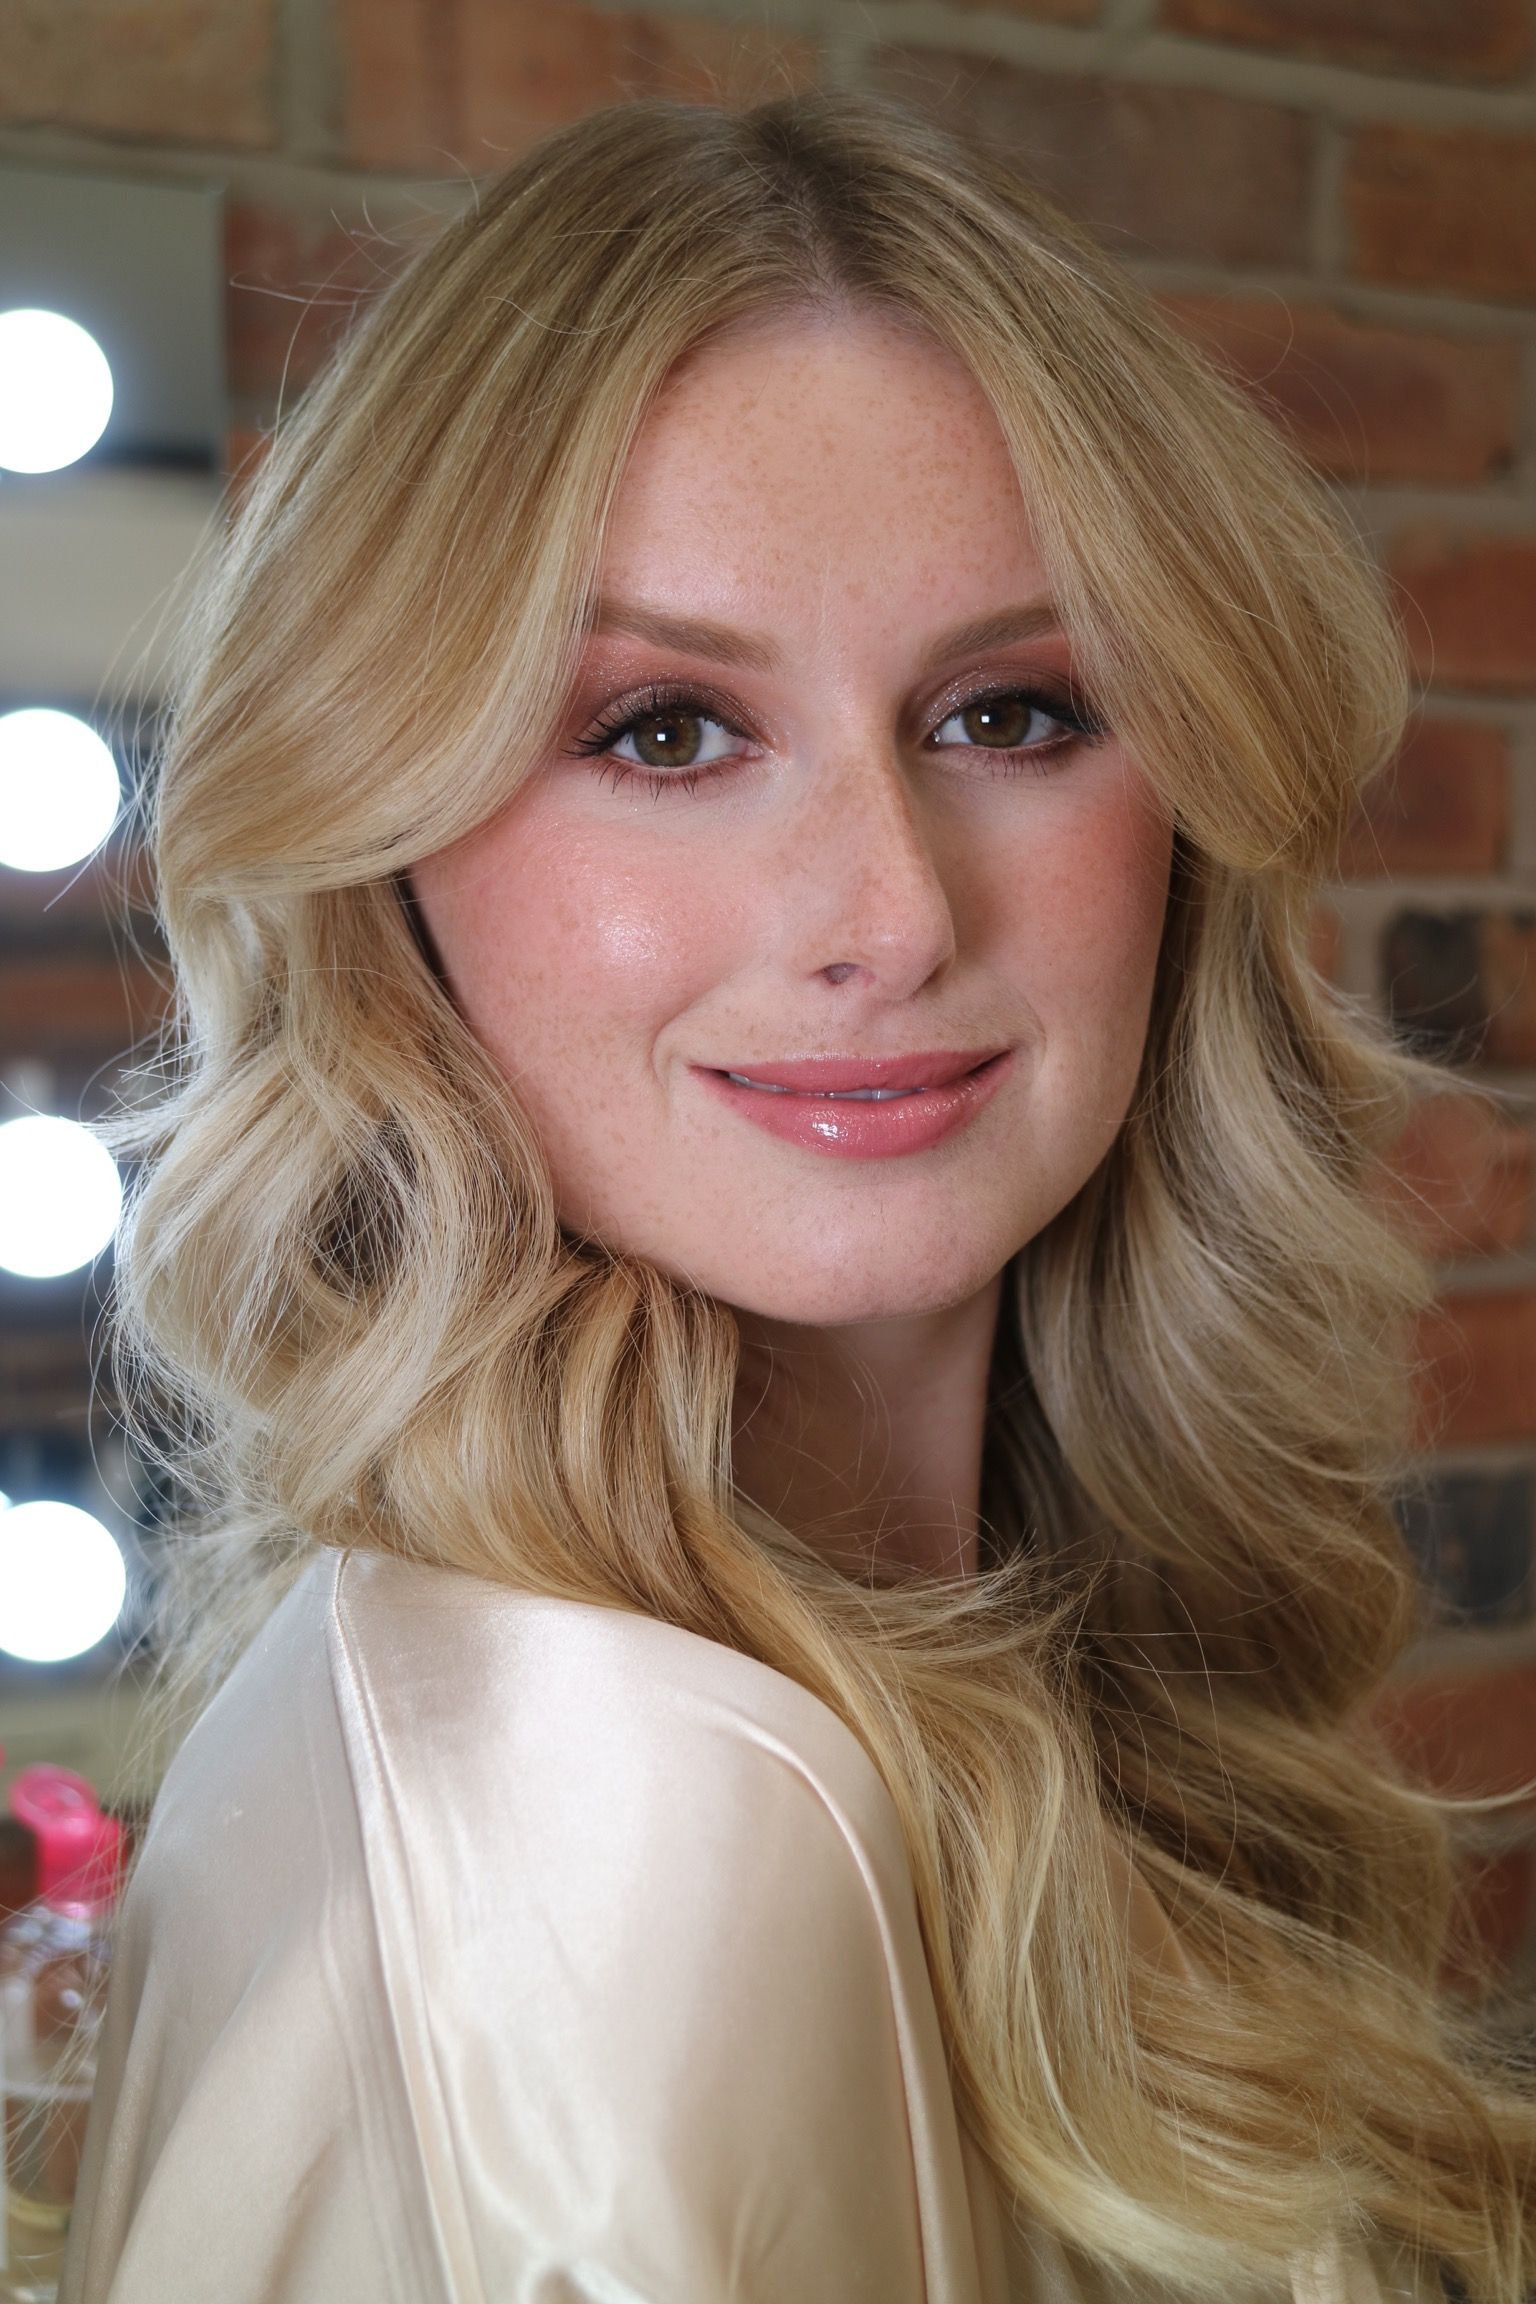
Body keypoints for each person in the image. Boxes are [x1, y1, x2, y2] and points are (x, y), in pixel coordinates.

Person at [57, 83, 1535, 2304]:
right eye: (665, 729)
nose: (891, 915)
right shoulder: (645, 1836)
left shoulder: (933, 1690)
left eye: (1012, 714)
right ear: (388, 849)